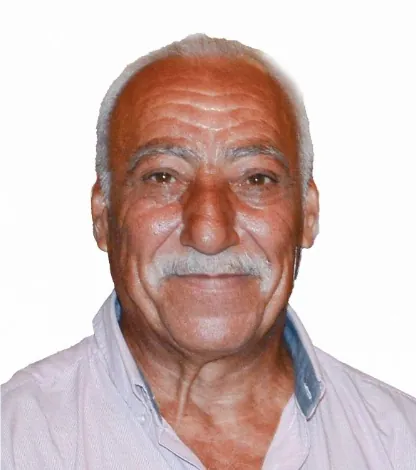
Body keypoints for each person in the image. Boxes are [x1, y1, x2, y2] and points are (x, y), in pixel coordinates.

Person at [2, 33, 416, 470]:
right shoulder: (16, 442)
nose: (209, 232)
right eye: (163, 177)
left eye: (256, 179)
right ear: (103, 216)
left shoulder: (398, 444)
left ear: (307, 214)